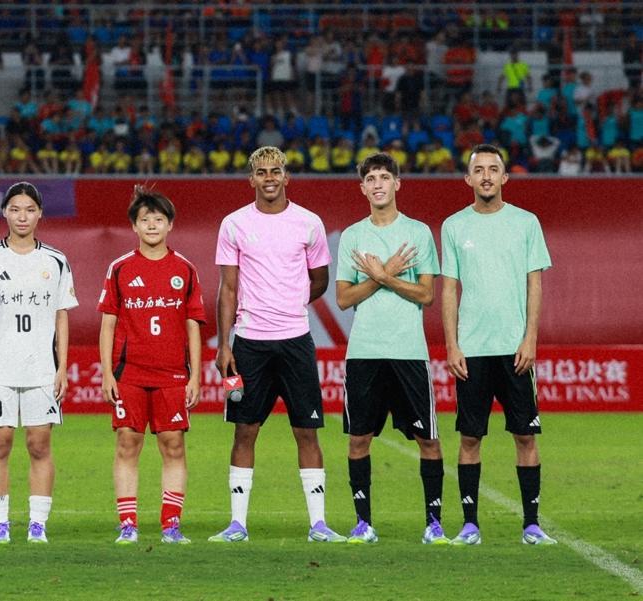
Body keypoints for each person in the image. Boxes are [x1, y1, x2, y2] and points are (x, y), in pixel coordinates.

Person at [210, 146, 345, 543]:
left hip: (296, 342)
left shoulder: (309, 223)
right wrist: (224, 345)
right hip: (249, 344)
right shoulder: (234, 224)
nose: (269, 178)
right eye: (261, 172)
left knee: (307, 431)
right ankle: (237, 524)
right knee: (244, 431)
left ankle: (318, 524)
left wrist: (289, 302)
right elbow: (227, 289)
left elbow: (319, 280)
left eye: (275, 171)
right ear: (251, 179)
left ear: (287, 177)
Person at [441, 143, 556, 546]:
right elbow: (449, 290)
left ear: (505, 177)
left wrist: (530, 338)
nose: (486, 176)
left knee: (525, 436)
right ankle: (470, 525)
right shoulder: (454, 226)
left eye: (493, 169)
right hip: (471, 350)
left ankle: (532, 525)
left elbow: (534, 285)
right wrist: (452, 345)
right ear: (468, 179)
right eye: (479, 170)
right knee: (470, 437)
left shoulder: (526, 223)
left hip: (515, 349)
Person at [335, 153, 446, 545]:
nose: (378, 184)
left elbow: (427, 294)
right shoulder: (352, 236)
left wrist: (383, 275)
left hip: (408, 351)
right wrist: (384, 275)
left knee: (428, 440)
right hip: (364, 352)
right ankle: (363, 523)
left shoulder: (418, 233)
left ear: (397, 183)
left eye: (384, 177)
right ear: (362, 188)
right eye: (371, 179)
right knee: (358, 439)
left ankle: (434, 523)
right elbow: (344, 299)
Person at [0, 182, 78, 544]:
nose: (22, 216)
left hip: (42, 369)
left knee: (39, 444)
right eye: (15, 209)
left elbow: (62, 315)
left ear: (39, 214)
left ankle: (37, 524)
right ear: (5, 212)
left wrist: (62, 367)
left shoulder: (55, 261)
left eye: (29, 210)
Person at [97, 186, 206, 545]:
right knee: (127, 442)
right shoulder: (120, 268)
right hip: (130, 373)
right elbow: (108, 324)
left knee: (173, 444)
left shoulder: (184, 269)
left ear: (170, 224)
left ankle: (171, 524)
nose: (153, 225)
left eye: (159, 219)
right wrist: (107, 372)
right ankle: (128, 524)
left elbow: (193, 325)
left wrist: (195, 376)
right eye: (145, 219)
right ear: (134, 226)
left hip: (172, 374)